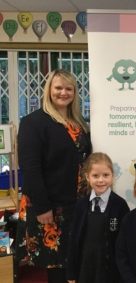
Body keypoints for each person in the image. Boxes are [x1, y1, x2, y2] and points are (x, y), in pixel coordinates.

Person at [16, 69, 92, 283]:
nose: (63, 92)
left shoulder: (79, 123)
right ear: (48, 89)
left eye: (69, 88)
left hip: (75, 205)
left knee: (73, 260)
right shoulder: (34, 122)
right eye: (58, 87)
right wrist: (42, 207)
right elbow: (30, 168)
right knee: (56, 266)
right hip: (48, 206)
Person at [66, 152, 130, 283]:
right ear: (87, 177)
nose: (101, 180)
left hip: (111, 273)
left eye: (106, 175)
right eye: (95, 176)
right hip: (85, 269)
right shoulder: (81, 206)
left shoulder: (120, 205)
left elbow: (125, 245)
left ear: (113, 176)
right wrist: (71, 273)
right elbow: (73, 240)